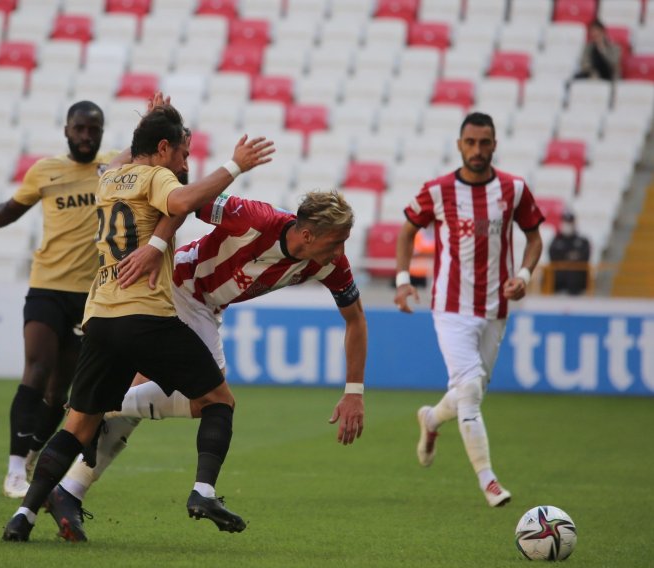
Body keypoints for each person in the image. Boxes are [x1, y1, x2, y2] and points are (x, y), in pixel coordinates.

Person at [2, 99, 275, 541]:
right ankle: (203, 490)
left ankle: (24, 516)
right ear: (163, 149)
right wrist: (235, 165)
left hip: (100, 317)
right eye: (182, 154)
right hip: (145, 315)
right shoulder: (157, 177)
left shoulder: (108, 177)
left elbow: (139, 159)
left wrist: (153, 122)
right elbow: (182, 200)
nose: (185, 163)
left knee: (78, 424)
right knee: (219, 400)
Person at [44, 189, 368, 541]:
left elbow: (355, 319)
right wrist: (153, 247)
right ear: (308, 235)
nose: (341, 251)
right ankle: (101, 406)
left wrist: (354, 392)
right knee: (212, 400)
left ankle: (70, 488)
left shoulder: (331, 263)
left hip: (207, 308)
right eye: (337, 241)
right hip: (178, 286)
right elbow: (182, 201)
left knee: (142, 405)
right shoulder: (255, 218)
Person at [0, 101, 116, 499]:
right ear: (67, 130)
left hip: (89, 297)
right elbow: (11, 210)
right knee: (36, 370)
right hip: (47, 286)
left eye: (94, 129)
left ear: (102, 132)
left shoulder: (111, 169)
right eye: (80, 128)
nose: (87, 136)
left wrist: (152, 117)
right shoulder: (45, 171)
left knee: (59, 394)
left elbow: (143, 154)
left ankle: (35, 451)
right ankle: (15, 468)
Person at [393, 112, 544, 507]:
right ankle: (489, 480)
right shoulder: (439, 190)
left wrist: (525, 275)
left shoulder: (514, 189)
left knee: (466, 392)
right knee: (472, 390)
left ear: (495, 144)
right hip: (451, 308)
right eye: (471, 142)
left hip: (496, 307)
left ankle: (429, 419)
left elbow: (534, 238)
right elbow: (407, 229)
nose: (478, 150)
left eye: (485, 142)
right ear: (460, 145)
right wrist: (402, 279)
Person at [548, 211, 591, 295]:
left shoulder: (582, 241)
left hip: (578, 287)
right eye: (565, 222)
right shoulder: (556, 240)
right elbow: (552, 257)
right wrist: (571, 256)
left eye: (569, 222)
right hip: (557, 287)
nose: (567, 225)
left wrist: (564, 257)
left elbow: (585, 257)